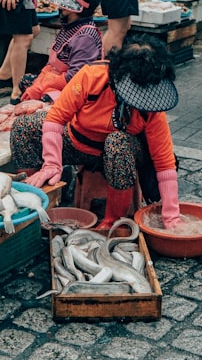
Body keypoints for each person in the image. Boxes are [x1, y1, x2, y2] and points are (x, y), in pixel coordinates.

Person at [12, 34, 182, 230]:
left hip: (123, 153)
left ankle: (111, 222)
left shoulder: (152, 104)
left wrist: (171, 216)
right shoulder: (92, 76)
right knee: (24, 127)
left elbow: (164, 162)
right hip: (79, 142)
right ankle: (29, 203)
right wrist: (52, 164)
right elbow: (56, 118)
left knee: (117, 142)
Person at [19, 0, 102, 102]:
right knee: (25, 81)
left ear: (73, 8)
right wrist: (40, 81)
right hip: (55, 78)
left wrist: (42, 87)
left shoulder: (85, 37)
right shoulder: (69, 27)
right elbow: (50, 65)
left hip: (75, 90)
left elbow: (76, 77)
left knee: (42, 100)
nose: (60, 6)